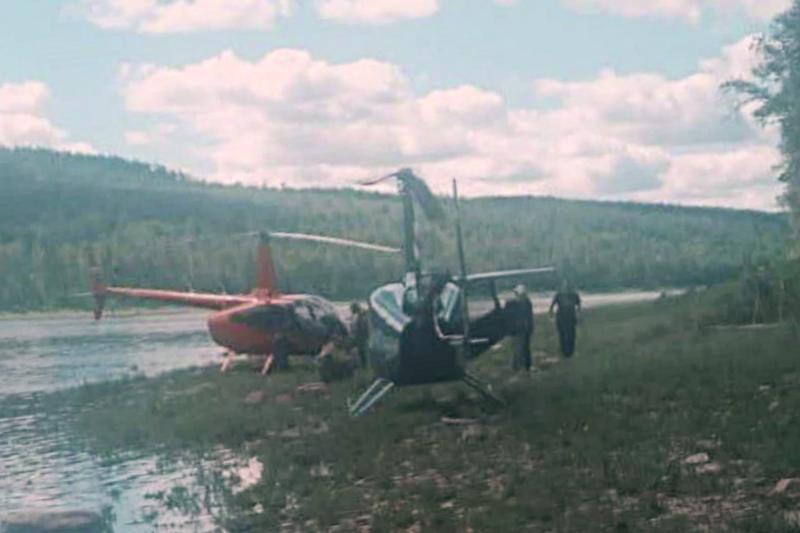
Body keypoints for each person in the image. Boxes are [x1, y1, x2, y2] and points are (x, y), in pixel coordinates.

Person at [504, 284, 534, 372]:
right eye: (521, 294)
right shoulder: (510, 303)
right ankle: (516, 366)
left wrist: (531, 326)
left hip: (525, 328)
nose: (523, 296)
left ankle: (527, 366)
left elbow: (529, 316)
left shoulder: (527, 302)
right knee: (517, 348)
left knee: (526, 347)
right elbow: (507, 317)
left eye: (524, 294)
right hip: (516, 329)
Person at [549, 281, 581, 357]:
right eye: (564, 286)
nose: (566, 288)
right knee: (562, 335)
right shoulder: (558, 295)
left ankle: (570, 351)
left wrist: (579, 315)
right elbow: (552, 306)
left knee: (571, 335)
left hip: (571, 318)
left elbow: (579, 306)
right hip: (561, 318)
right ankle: (564, 351)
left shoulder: (574, 295)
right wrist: (551, 315)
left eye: (567, 287)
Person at [350, 302, 370, 368]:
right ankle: (364, 365)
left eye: (351, 309)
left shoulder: (360, 317)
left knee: (362, 352)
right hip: (361, 337)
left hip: (361, 337)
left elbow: (361, 328)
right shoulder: (361, 315)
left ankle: (364, 366)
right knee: (362, 352)